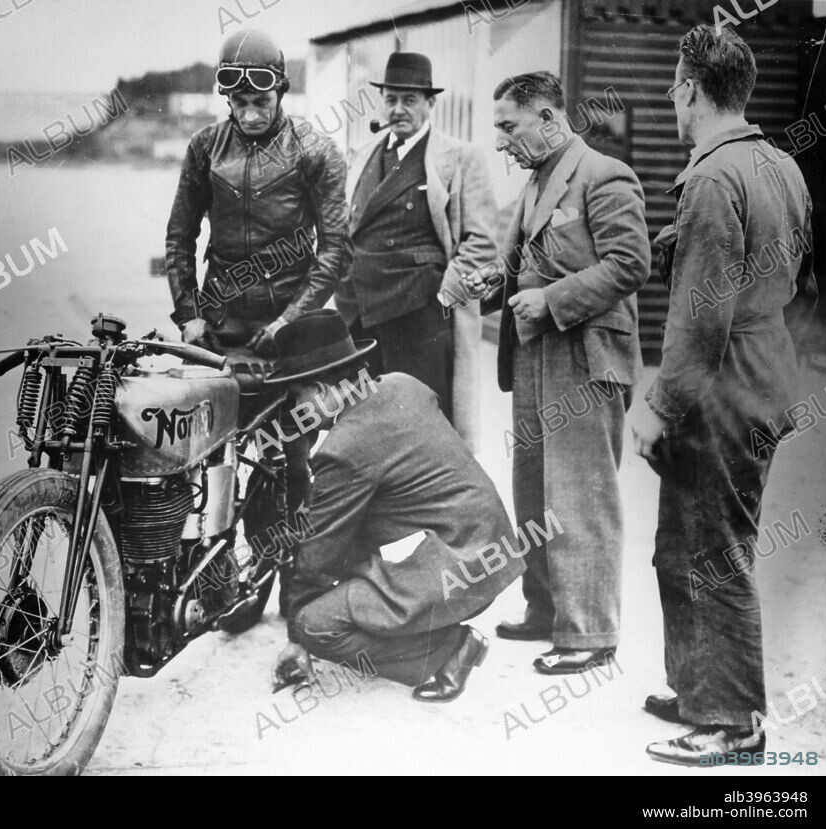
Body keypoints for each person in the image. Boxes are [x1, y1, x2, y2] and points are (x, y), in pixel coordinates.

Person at [629, 25, 816, 766]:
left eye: (675, 89)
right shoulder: (780, 166)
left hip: (722, 389)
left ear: (691, 90)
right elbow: (802, 285)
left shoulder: (712, 178)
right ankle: (697, 687)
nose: (672, 102)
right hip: (765, 373)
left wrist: (658, 407)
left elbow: (700, 321)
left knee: (715, 554)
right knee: (679, 544)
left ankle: (734, 724)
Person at [476, 71, 651, 674]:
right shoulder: (535, 182)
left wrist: (551, 301)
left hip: (584, 356)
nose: (500, 141)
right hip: (534, 355)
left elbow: (631, 264)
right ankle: (546, 609)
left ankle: (590, 634)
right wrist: (493, 282)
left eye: (508, 126)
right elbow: (524, 260)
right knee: (534, 491)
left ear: (549, 118)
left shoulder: (605, 175)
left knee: (580, 495)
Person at [269, 310, 523, 702]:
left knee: (316, 624)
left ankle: (450, 651)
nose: (295, 407)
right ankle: (423, 629)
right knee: (350, 562)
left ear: (321, 391)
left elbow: (320, 549)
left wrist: (298, 635)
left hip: (454, 565)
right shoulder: (402, 385)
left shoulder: (345, 446)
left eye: (297, 395)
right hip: (489, 549)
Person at [334, 52, 496, 449]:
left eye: (409, 100)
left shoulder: (459, 158)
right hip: (360, 313)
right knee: (360, 426)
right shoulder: (361, 154)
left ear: (430, 103)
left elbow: (481, 242)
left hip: (420, 317)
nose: (398, 109)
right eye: (391, 99)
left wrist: (442, 296)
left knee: (419, 430)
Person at [165, 29, 352, 356]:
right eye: (240, 102)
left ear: (280, 91)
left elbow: (335, 249)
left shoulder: (316, 151)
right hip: (216, 326)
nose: (250, 115)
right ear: (227, 98)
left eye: (261, 102)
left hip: (292, 326)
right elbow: (179, 236)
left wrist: (290, 320)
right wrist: (188, 316)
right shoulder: (204, 146)